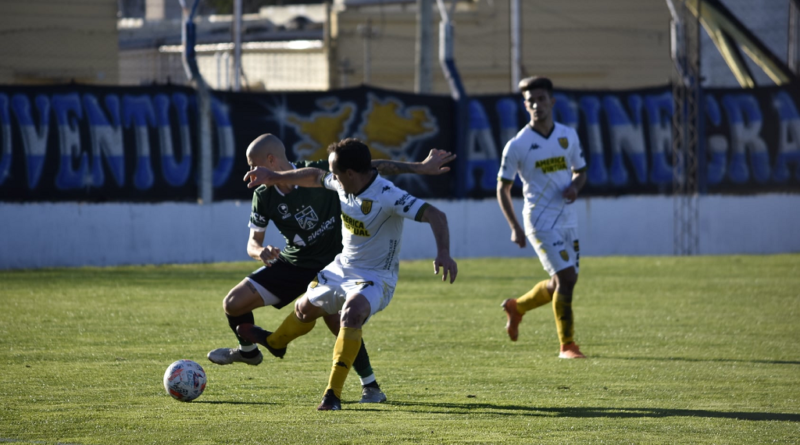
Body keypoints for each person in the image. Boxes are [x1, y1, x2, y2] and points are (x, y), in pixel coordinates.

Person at [208, 134, 456, 405]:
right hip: (314, 264)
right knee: (269, 306)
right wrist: (262, 245)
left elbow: (423, 205)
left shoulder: (374, 189)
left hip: (356, 269)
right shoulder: (298, 187)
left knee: (346, 316)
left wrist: (442, 250)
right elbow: (316, 180)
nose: (332, 177)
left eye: (252, 165)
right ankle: (262, 348)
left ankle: (351, 390)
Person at [496, 76, 588, 359]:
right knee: (566, 278)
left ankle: (518, 307)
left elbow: (581, 171)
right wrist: (514, 226)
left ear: (552, 102)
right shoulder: (517, 145)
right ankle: (567, 345)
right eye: (531, 101)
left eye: (541, 99)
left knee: (562, 281)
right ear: (526, 106)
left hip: (567, 220)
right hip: (539, 221)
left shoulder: (568, 135)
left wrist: (575, 187)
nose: (537, 105)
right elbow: (503, 188)